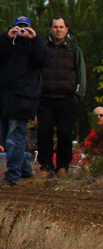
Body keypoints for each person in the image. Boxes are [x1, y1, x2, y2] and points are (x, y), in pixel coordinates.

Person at [1, 16, 49, 186]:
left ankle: (13, 175)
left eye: (25, 28)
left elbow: (44, 59)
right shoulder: (8, 44)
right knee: (8, 136)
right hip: (6, 97)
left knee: (15, 136)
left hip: (24, 98)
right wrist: (7, 37)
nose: (22, 31)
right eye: (19, 27)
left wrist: (34, 39)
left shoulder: (34, 46)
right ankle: (26, 170)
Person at [37, 16, 86, 177]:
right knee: (44, 132)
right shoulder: (42, 48)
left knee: (65, 133)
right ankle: (45, 166)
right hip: (45, 98)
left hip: (66, 98)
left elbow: (81, 73)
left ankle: (63, 167)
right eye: (55, 27)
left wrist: (77, 95)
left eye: (61, 27)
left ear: (66, 29)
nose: (58, 30)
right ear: (51, 29)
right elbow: (35, 71)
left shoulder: (74, 49)